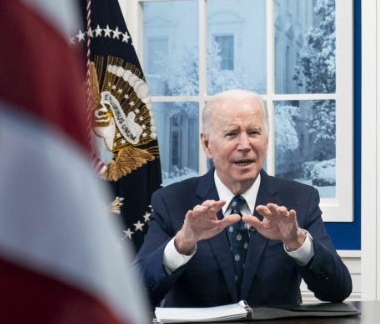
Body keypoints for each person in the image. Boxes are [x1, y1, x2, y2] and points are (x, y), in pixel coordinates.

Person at [135, 89, 352, 307]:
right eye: (231, 134)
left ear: (266, 140)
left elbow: (338, 290)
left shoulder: (300, 200)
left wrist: (297, 242)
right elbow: (137, 294)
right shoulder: (171, 201)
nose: (245, 145)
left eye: (254, 133)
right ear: (207, 144)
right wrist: (182, 244)